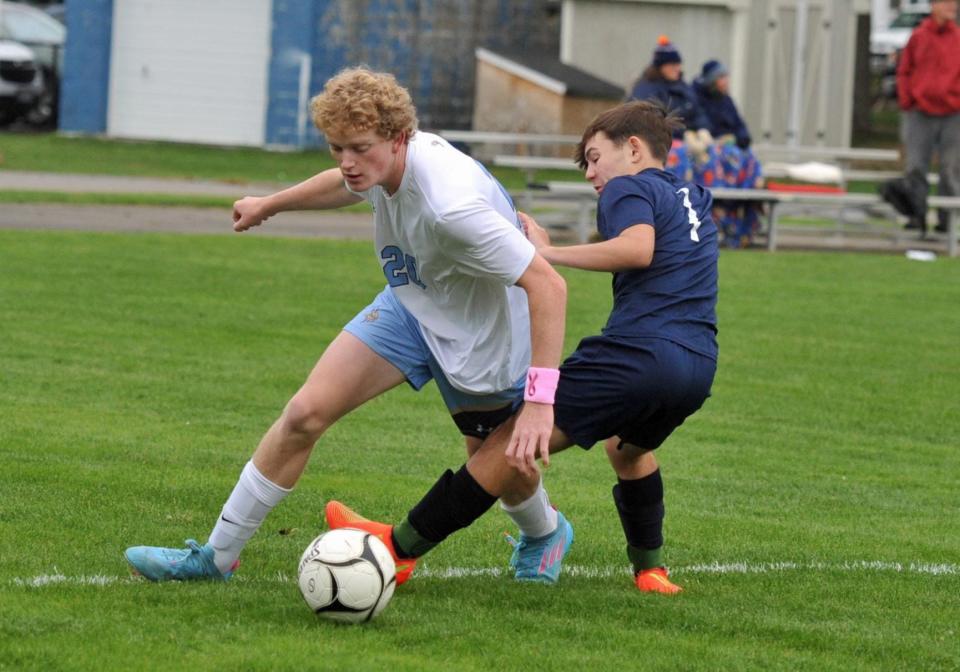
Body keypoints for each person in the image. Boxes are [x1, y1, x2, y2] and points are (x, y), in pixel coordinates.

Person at [123, 66, 570, 585]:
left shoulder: (451, 206)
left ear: (399, 137)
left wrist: (540, 402)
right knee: (304, 415)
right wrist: (271, 204)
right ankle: (215, 559)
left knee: (499, 465)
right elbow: (346, 182)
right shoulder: (379, 161)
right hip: (410, 305)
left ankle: (546, 533)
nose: (347, 163)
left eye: (358, 148)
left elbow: (549, 286)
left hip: (482, 332)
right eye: (337, 148)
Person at [328, 100, 719, 595]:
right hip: (697, 364)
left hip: (638, 355)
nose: (592, 174)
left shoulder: (628, 186)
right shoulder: (692, 195)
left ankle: (399, 547)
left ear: (635, 149)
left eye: (595, 158)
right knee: (627, 450)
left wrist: (544, 252)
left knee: (508, 446)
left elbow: (638, 249)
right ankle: (651, 569)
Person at [895, 0, 960, 234]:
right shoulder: (919, 37)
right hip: (920, 112)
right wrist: (908, 101)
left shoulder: (958, 38)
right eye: (947, 3)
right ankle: (916, 217)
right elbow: (905, 70)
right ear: (934, 5)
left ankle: (947, 220)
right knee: (915, 166)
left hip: (953, 113)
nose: (952, 7)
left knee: (951, 168)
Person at [693, 59, 764, 247]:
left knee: (750, 160)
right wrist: (723, 139)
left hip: (731, 148)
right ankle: (722, 215)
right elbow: (701, 125)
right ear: (712, 80)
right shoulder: (696, 96)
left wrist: (739, 138)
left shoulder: (726, 99)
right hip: (712, 147)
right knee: (724, 156)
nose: (726, 82)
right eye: (721, 77)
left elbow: (741, 128)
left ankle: (744, 220)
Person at [627, 36, 711, 140]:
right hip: (661, 143)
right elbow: (648, 123)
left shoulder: (684, 87)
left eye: (678, 64)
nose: (677, 69)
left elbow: (698, 112)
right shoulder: (646, 89)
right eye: (672, 65)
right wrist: (684, 135)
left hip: (691, 140)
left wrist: (703, 129)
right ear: (660, 67)